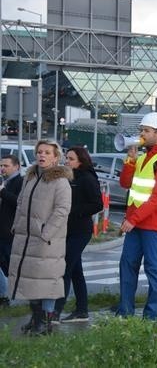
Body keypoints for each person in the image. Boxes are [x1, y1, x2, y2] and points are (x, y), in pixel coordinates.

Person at [117, 112, 157, 320]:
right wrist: (130, 160)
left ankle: (151, 315)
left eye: (146, 130)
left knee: (153, 269)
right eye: (141, 130)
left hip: (153, 223)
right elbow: (125, 184)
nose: (141, 134)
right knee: (127, 265)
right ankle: (125, 312)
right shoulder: (144, 157)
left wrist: (132, 220)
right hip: (136, 221)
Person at [9, 140, 72, 335]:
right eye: (39, 152)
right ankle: (36, 319)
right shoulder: (31, 177)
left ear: (56, 157)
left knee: (47, 280)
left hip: (47, 240)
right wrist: (17, 226)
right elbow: (20, 203)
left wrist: (46, 232)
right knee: (31, 280)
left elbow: (62, 210)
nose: (41, 155)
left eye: (47, 152)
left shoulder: (60, 181)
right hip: (26, 237)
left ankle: (45, 322)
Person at [54, 146, 104, 323]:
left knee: (65, 268)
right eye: (66, 158)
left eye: (71, 159)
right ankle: (82, 310)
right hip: (67, 229)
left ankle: (55, 311)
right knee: (76, 271)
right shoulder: (68, 177)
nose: (67, 161)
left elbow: (98, 204)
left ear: (80, 161)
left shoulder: (87, 178)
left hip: (81, 230)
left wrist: (74, 211)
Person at [0, 154, 24, 307]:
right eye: (1, 166)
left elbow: (19, 203)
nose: (2, 169)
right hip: (1, 230)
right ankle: (3, 295)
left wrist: (2, 191)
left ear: (16, 167)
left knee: (10, 266)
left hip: (10, 232)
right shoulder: (5, 182)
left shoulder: (19, 182)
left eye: (6, 166)